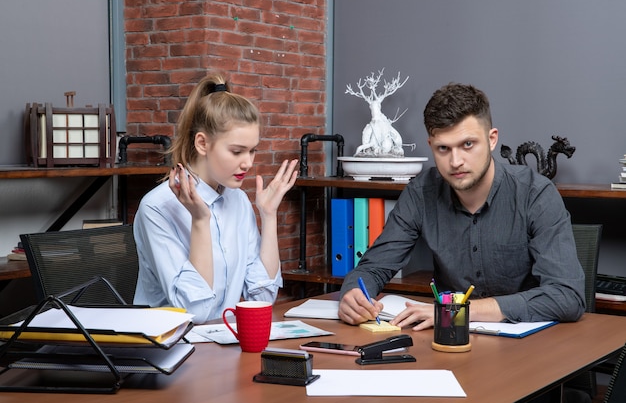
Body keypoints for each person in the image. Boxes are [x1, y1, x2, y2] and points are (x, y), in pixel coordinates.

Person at [338, 82, 586, 331]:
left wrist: (458, 310)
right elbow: (373, 268)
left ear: (492, 140)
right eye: (443, 148)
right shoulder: (421, 193)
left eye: (467, 145)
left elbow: (567, 296)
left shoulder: (535, 193)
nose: (455, 162)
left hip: (531, 348)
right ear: (431, 146)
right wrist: (353, 295)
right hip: (450, 343)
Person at [133, 74, 298, 324]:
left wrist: (269, 215)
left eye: (253, 150)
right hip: (171, 351)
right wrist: (200, 221)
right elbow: (195, 312)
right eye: (236, 151)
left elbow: (262, 298)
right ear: (202, 143)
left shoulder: (239, 201)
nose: (248, 163)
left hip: (223, 344)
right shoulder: (157, 208)